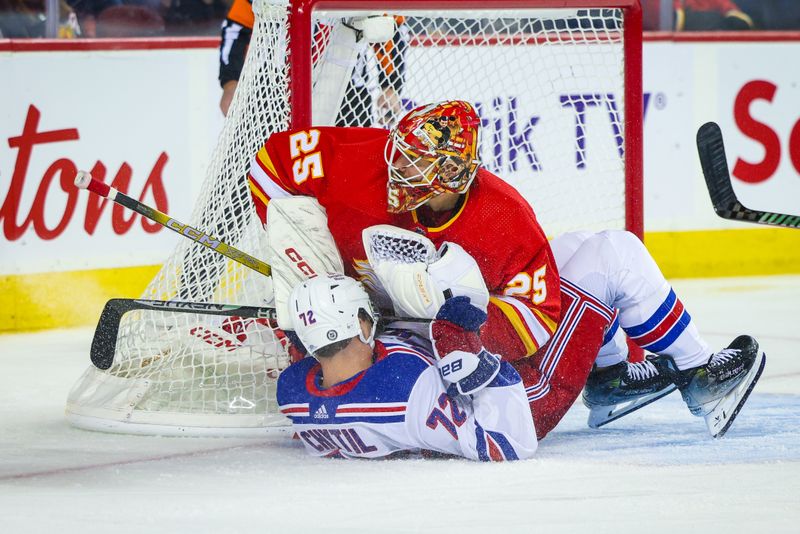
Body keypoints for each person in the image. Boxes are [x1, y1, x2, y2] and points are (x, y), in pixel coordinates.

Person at [250, 100, 764, 438]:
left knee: (577, 246)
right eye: (399, 156)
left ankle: (608, 378)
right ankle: (697, 374)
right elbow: (268, 165)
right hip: (502, 399)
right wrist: (330, 287)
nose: (395, 171)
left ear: (452, 173)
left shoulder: (501, 217)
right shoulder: (368, 160)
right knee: (614, 255)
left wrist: (457, 331)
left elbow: (534, 316)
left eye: (414, 165)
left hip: (447, 356)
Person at [276, 273, 538, 461]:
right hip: (523, 398)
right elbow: (508, 444)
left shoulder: (292, 391)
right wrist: (469, 352)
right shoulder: (404, 385)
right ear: (359, 323)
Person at [218, 0, 407, 119]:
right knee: (262, 171)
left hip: (348, 91)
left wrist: (390, 86)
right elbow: (236, 28)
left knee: (348, 173)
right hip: (274, 89)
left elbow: (392, 28)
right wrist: (230, 82)